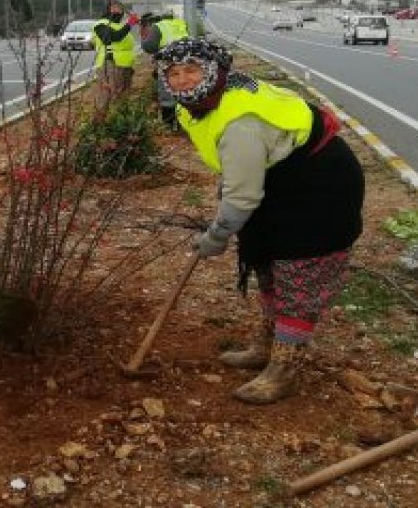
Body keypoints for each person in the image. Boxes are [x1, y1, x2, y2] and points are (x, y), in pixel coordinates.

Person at [154, 39, 365, 404]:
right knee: (265, 257)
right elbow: (238, 171)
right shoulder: (208, 101)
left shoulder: (241, 123)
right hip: (279, 178)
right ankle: (266, 345)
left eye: (192, 70)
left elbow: (242, 197)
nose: (183, 80)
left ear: (214, 71)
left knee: (299, 275)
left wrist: (216, 236)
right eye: (174, 73)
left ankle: (285, 369)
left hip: (319, 187)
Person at [139, 12, 190, 127]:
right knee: (183, 90)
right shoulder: (180, 24)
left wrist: (143, 37)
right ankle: (183, 122)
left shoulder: (159, 27)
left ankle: (169, 124)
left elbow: (149, 47)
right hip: (184, 61)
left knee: (167, 92)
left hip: (168, 63)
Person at [92, 2, 136, 102]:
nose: (117, 10)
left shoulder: (120, 25)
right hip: (109, 65)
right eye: (114, 7)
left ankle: (119, 116)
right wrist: (130, 24)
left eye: (120, 8)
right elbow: (115, 37)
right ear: (108, 9)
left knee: (123, 98)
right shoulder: (101, 24)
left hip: (125, 66)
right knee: (109, 97)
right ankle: (103, 117)